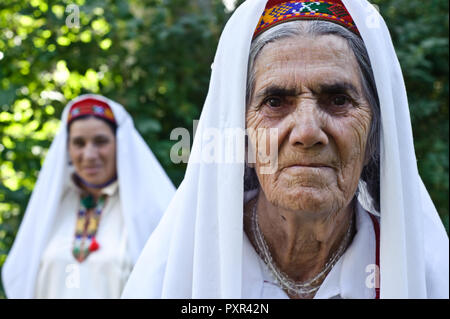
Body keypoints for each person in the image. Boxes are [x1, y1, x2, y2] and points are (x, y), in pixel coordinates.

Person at [121, 0, 449, 298]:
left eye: (338, 100)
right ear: (241, 135)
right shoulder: (174, 276)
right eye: (275, 102)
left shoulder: (424, 276)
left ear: (376, 134)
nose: (307, 132)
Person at [2, 94, 175, 298]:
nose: (90, 155)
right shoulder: (51, 208)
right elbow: (20, 276)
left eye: (100, 141)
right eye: (79, 143)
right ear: (67, 148)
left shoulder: (151, 209)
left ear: (120, 144)